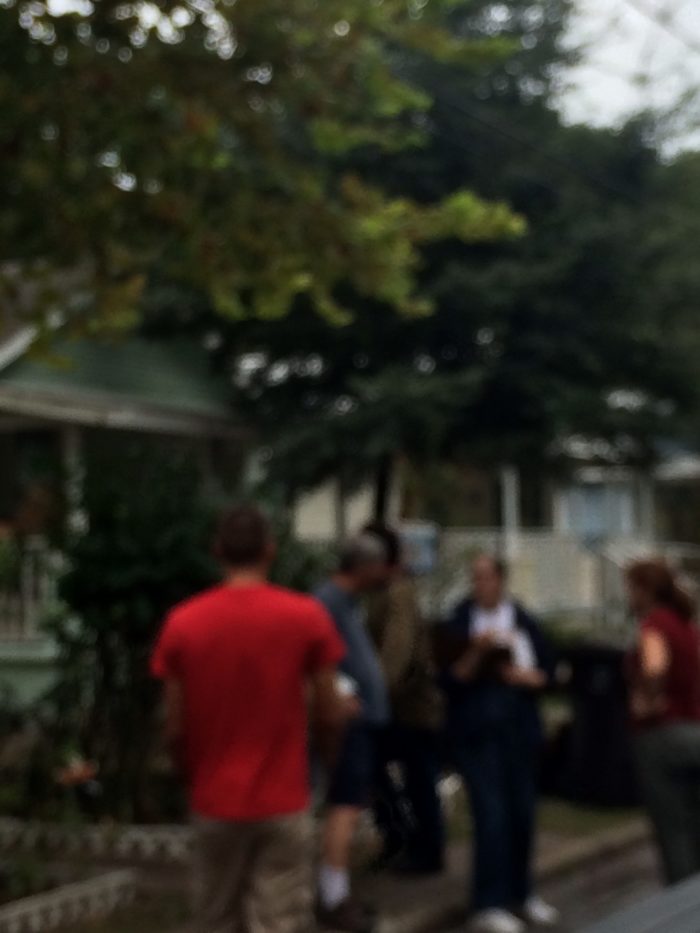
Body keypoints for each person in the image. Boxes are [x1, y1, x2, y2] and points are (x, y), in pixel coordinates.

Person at [151, 505, 350, 933]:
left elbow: (174, 726)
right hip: (284, 796)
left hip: (214, 798)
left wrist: (189, 775)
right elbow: (330, 712)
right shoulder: (306, 617)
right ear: (270, 550)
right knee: (279, 922)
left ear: (217, 551)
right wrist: (328, 761)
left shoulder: (183, 623)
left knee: (215, 918)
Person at [441, 555, 558, 933]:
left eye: (486, 578)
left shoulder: (522, 621)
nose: (480, 585)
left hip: (518, 728)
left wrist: (526, 677)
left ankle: (521, 892)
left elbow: (548, 672)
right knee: (491, 814)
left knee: (522, 812)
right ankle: (487, 900)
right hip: (479, 732)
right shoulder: (460, 621)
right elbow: (450, 679)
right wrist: (477, 652)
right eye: (475, 578)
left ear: (501, 580)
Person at [315, 534, 392, 933]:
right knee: (344, 803)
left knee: (351, 803)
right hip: (350, 723)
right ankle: (333, 896)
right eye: (378, 565)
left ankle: (336, 890)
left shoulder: (349, 603)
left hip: (365, 722)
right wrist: (340, 695)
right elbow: (316, 659)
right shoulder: (327, 602)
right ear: (362, 566)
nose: (384, 573)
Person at [364, 521, 446, 875]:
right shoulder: (382, 592)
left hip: (410, 707)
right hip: (396, 706)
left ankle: (426, 851)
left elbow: (397, 653)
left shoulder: (398, 593)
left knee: (418, 780)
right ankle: (401, 835)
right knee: (382, 771)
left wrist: (374, 691)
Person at [626, 558, 700, 885]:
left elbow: (655, 666)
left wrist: (647, 701)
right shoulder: (685, 626)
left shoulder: (654, 624)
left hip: (661, 738)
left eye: (631, 589)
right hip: (692, 731)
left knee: (674, 835)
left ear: (644, 590)